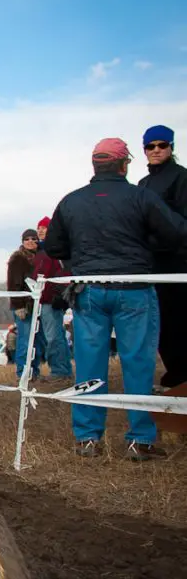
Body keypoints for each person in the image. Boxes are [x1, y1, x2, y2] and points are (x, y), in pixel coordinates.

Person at [44, 137, 187, 460]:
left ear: (95, 165)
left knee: (90, 366)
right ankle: (140, 440)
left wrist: (82, 253)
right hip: (134, 288)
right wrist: (145, 242)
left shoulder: (71, 201)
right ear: (125, 165)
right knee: (138, 363)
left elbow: (53, 246)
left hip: (89, 290)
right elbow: (178, 233)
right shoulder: (141, 197)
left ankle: (87, 439)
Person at [137, 124, 187, 389]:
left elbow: (182, 223)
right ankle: (174, 373)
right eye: (150, 146)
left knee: (179, 320)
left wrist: (156, 239)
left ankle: (180, 376)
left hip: (177, 261)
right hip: (151, 264)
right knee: (160, 323)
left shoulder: (181, 178)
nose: (156, 150)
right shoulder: (143, 184)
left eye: (162, 145)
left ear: (171, 147)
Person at [31, 225, 73, 380]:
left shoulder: (57, 249)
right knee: (51, 336)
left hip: (51, 300)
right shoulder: (40, 252)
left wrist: (58, 293)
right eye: (39, 228)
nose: (40, 231)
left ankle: (60, 370)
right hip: (39, 300)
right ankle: (62, 369)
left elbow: (65, 272)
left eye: (45, 228)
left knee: (54, 336)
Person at [7, 229, 43, 381]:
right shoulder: (18, 258)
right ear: (22, 241)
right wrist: (18, 305)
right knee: (25, 339)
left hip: (40, 304)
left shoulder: (41, 257)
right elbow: (13, 283)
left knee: (38, 341)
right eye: (26, 239)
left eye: (33, 238)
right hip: (24, 305)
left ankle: (34, 371)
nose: (30, 241)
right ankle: (22, 372)